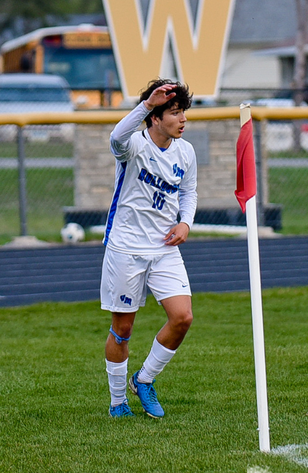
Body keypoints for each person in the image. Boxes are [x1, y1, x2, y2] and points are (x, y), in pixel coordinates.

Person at [101, 78, 197, 418]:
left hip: (164, 249)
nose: (182, 119)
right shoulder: (133, 146)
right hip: (126, 249)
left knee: (182, 317)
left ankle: (144, 379)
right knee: (123, 329)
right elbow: (115, 137)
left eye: (183, 111)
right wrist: (145, 104)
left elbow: (189, 192)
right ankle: (117, 402)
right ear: (155, 118)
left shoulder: (185, 151)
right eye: (173, 112)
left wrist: (185, 222)